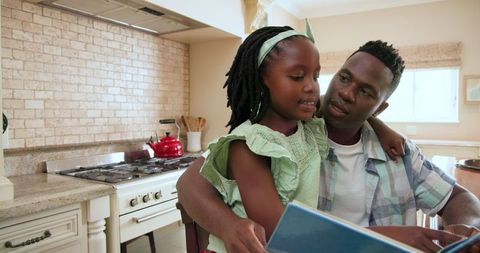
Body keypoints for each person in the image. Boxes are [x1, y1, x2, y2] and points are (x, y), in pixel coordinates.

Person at [177, 40, 480, 253]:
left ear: (380, 107)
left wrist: (461, 228)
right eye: (344, 78)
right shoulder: (283, 136)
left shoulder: (399, 154)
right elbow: (190, 184)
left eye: (365, 91)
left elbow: (460, 199)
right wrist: (229, 225)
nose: (346, 93)